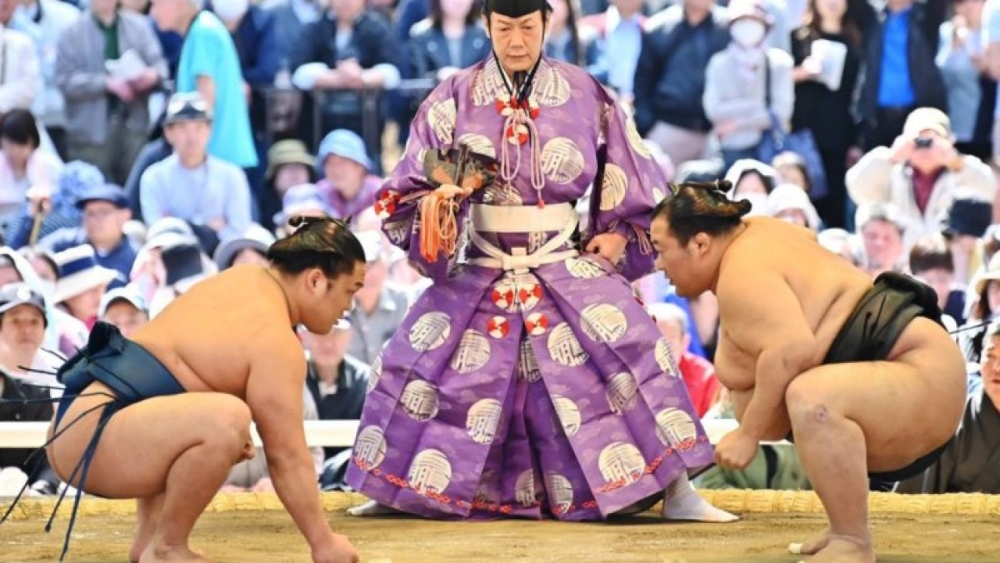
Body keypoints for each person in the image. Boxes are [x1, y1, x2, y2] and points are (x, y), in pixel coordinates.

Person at [345, 0, 735, 524]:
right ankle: (395, 489)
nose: (516, 41)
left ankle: (678, 490)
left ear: (547, 23)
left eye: (527, 27)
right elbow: (405, 190)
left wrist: (619, 234)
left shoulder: (586, 92)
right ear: (485, 25)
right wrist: (441, 207)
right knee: (413, 356)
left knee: (636, 345)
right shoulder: (452, 96)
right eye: (504, 28)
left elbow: (632, 171)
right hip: (478, 260)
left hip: (560, 257)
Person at [2, 216, 364, 563]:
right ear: (316, 281)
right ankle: (167, 547)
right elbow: (287, 456)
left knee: (215, 420)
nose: (348, 306)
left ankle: (150, 536)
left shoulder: (242, 279)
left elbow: (170, 382)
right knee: (226, 420)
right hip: (94, 439)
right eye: (350, 290)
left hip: (83, 425)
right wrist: (323, 541)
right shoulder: (277, 343)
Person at [648, 181, 967, 563]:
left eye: (661, 250)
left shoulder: (742, 271)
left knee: (812, 397)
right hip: (906, 368)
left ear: (700, 244)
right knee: (814, 391)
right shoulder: (756, 233)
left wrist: (748, 434)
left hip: (919, 371)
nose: (659, 265)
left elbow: (791, 349)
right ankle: (842, 531)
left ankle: (853, 540)